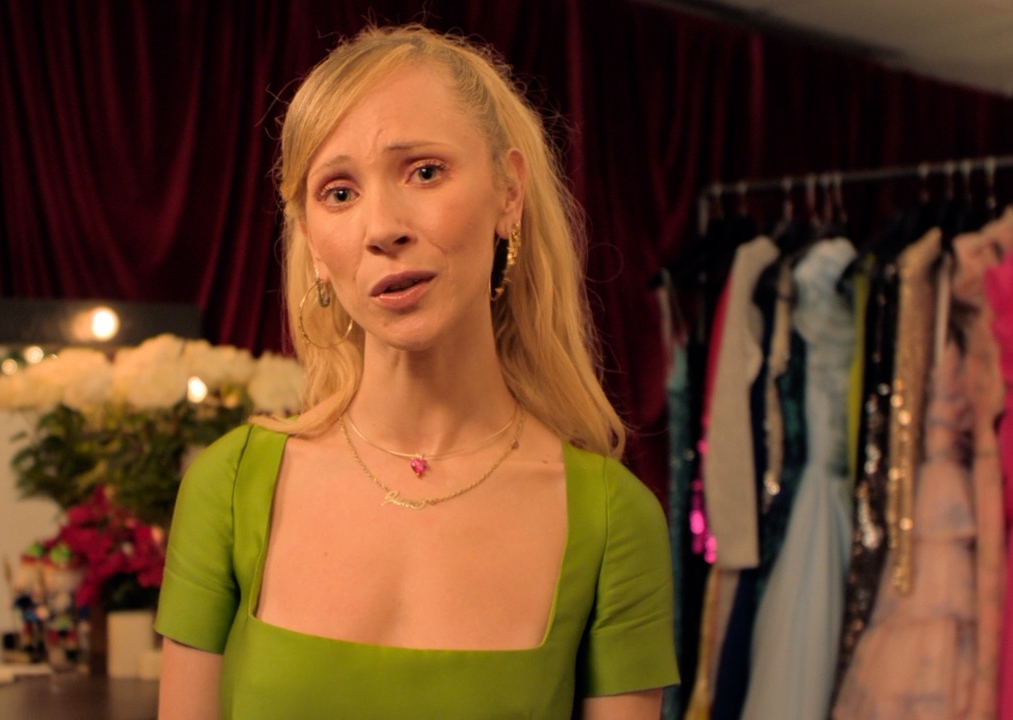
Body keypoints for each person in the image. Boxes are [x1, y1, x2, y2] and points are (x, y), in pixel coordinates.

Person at [155, 24, 677, 719]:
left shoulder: (614, 522)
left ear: (509, 193)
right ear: (312, 243)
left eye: (424, 172)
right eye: (338, 192)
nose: (382, 228)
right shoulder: (227, 489)